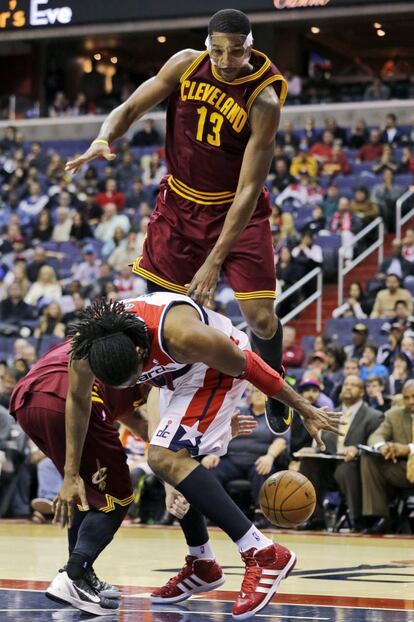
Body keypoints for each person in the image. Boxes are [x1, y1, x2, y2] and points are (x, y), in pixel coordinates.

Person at [65, 8, 294, 436]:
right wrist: (102, 138)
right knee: (163, 314)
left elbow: (247, 190)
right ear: (208, 45)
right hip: (179, 206)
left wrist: (213, 262)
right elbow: (131, 107)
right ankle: (161, 399)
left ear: (251, 46)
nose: (227, 60)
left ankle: (276, 382)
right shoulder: (186, 63)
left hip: (235, 210)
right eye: (219, 51)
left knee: (261, 318)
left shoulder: (263, 98)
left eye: (236, 52)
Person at [52, 292, 341, 619]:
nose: (130, 386)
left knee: (164, 457)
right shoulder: (86, 350)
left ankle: (262, 552)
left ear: (138, 351)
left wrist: (304, 408)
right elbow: (78, 403)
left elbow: (249, 366)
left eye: (133, 377)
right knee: (166, 461)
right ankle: (202, 562)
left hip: (214, 365)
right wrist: (70, 474)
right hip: (171, 380)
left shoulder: (183, 334)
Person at [9, 340, 150, 615]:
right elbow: (154, 429)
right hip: (67, 400)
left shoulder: (99, 339)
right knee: (118, 496)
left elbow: (137, 422)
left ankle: (80, 575)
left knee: (84, 490)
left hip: (26, 401)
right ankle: (74, 573)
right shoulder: (149, 362)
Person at [298, 375, 382, 532]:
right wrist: (313, 450)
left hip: (356, 465)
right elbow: (322, 442)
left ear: (362, 392)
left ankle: (358, 519)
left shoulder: (374, 416)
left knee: (345, 469)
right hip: (330, 463)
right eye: (346, 384)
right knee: (308, 463)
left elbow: (374, 444)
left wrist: (357, 448)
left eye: (353, 385)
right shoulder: (330, 414)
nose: (348, 387)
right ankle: (315, 517)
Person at [202, 385, 289, 529]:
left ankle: (261, 514)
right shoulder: (238, 412)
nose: (259, 394)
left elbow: (281, 440)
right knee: (210, 470)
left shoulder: (274, 416)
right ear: (248, 395)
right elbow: (221, 433)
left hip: (259, 459)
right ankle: (213, 512)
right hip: (232, 459)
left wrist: (270, 456)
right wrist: (213, 453)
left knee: (262, 469)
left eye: (262, 391)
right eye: (255, 391)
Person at [361, 379, 414, 534]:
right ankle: (379, 517)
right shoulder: (393, 415)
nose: (411, 401)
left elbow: (405, 449)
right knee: (368, 458)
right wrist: (382, 446)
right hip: (404, 469)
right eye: (406, 397)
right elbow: (376, 436)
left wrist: (408, 449)